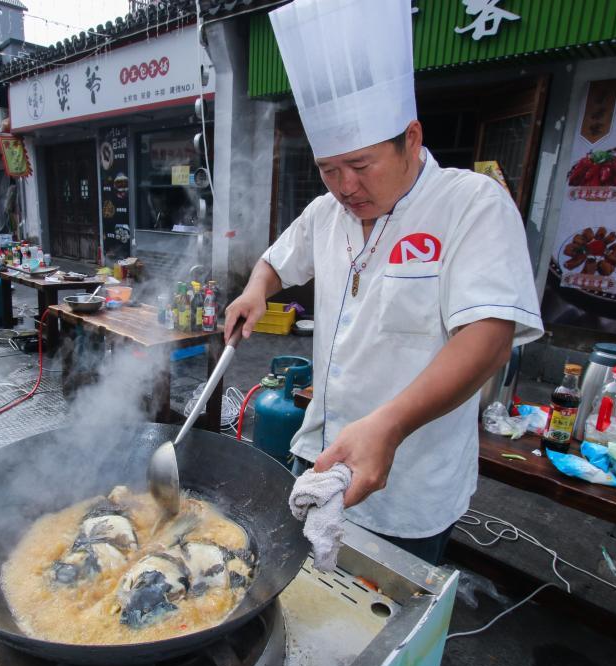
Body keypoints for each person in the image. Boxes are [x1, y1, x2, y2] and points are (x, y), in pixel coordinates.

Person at [223, 0, 543, 566]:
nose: (345, 186)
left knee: (382, 628)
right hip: (317, 459)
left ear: (411, 137)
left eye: (362, 165)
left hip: (407, 487)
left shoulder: (470, 204)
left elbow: (489, 337)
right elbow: (276, 261)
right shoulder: (327, 212)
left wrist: (390, 424)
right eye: (329, 168)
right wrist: (255, 290)